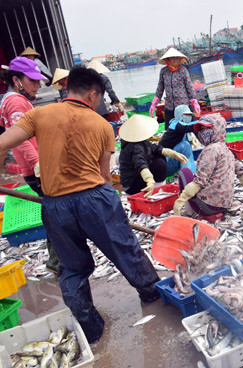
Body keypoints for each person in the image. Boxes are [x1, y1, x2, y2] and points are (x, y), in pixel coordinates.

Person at [0, 66, 161, 344]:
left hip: (56, 206)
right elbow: (103, 176)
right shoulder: (102, 125)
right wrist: (112, 203)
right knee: (126, 251)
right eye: (98, 98)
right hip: (94, 199)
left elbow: (3, 142)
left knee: (72, 269)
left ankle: (91, 330)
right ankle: (153, 297)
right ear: (93, 93)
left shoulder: (38, 114)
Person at [0, 56, 59, 273]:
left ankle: (56, 259)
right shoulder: (15, 101)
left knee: (51, 208)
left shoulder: (9, 99)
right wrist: (38, 165)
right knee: (55, 211)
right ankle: (56, 260)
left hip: (34, 167)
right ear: (16, 80)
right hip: (36, 169)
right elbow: (21, 138)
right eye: (32, 81)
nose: (37, 85)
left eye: (38, 81)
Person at [173, 114, 243, 222]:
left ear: (217, 129)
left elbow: (200, 181)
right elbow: (241, 171)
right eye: (202, 129)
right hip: (224, 204)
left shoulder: (210, 150)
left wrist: (181, 200)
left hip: (207, 207)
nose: (204, 132)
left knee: (185, 172)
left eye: (208, 128)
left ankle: (190, 210)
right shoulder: (225, 148)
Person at [118, 114, 188, 195]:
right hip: (131, 186)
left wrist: (174, 154)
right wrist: (149, 180)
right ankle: (157, 192)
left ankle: (158, 189)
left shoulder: (140, 142)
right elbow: (140, 163)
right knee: (159, 164)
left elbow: (157, 149)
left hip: (135, 179)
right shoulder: (135, 147)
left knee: (159, 158)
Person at [150, 48, 200, 125]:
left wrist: (195, 102)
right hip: (169, 107)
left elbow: (189, 87)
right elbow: (160, 88)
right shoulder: (163, 71)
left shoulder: (183, 70)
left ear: (179, 59)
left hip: (183, 107)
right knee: (170, 131)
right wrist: (154, 104)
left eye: (176, 58)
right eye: (172, 58)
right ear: (168, 59)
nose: (174, 60)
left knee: (189, 130)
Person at [158, 104, 197, 175]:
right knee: (185, 145)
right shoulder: (177, 125)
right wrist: (200, 123)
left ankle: (188, 173)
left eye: (189, 115)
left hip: (168, 158)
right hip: (165, 162)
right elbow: (189, 127)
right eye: (186, 115)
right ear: (180, 115)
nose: (189, 117)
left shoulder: (177, 125)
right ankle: (189, 176)